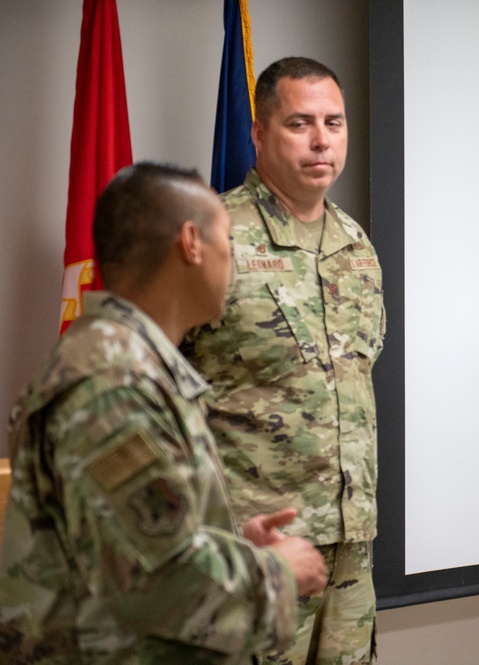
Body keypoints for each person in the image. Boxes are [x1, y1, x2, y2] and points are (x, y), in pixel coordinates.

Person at [0, 162, 329, 663]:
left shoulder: (132, 365)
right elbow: (159, 583)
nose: (234, 262)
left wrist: (233, 543)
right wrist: (278, 572)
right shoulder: (114, 384)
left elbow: (123, 540)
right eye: (229, 242)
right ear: (192, 243)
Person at [183, 57, 385, 665]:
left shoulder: (357, 246)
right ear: (260, 133)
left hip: (352, 546)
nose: (323, 139)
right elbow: (155, 401)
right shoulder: (211, 238)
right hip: (253, 546)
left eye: (334, 122)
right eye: (301, 123)